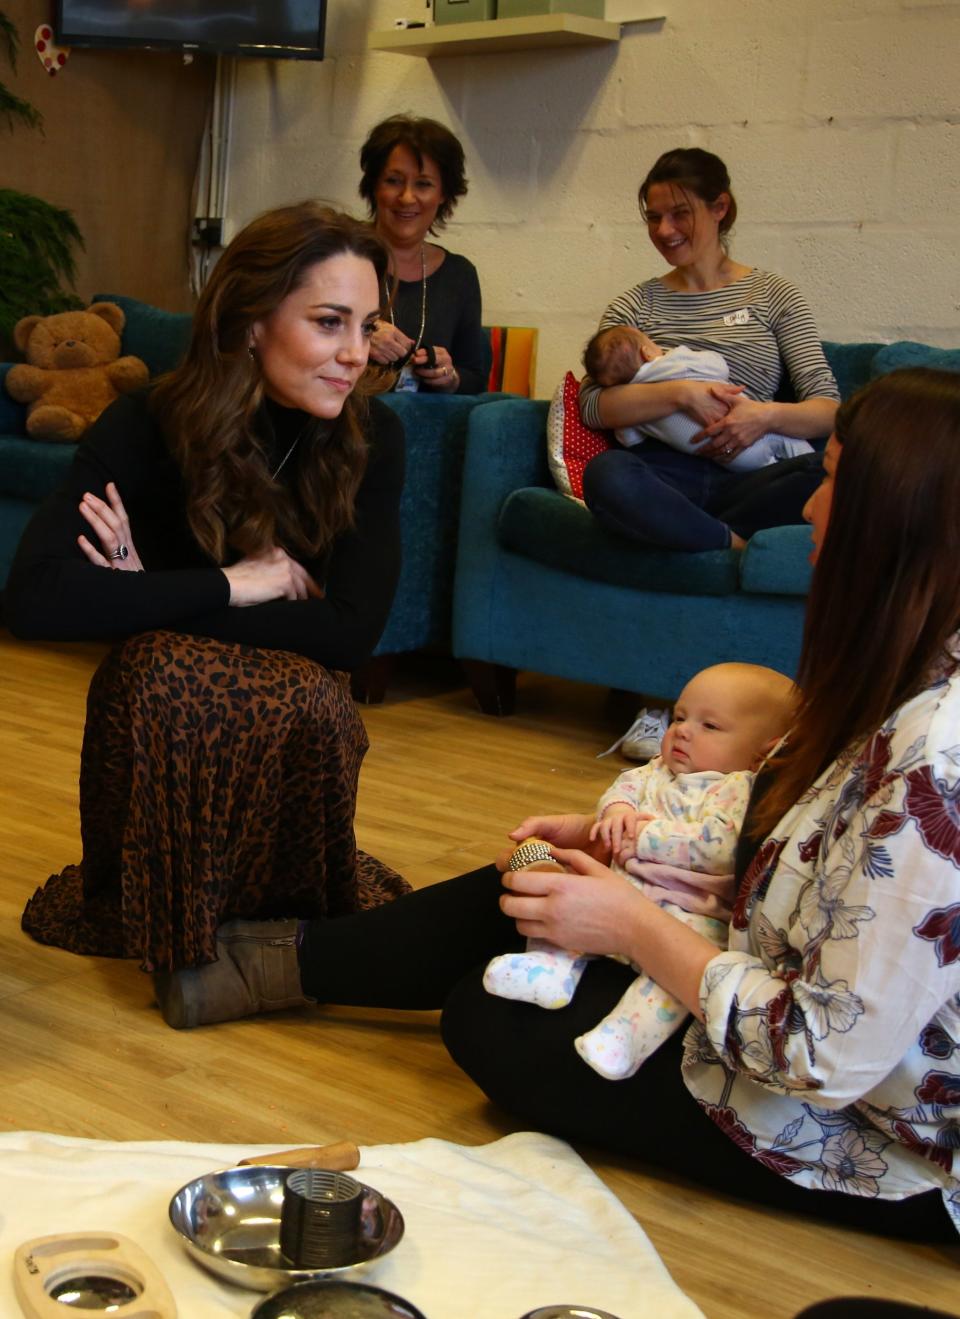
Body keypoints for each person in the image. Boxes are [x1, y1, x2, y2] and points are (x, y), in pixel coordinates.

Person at [157, 367, 960, 1243]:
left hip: (876, 1128)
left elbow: (820, 1054)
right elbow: (793, 843)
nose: (808, 507)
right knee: (537, 875)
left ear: (901, 523)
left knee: (490, 1016)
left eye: (834, 477)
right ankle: (272, 962)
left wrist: (635, 928)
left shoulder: (938, 760)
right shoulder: (907, 671)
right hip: (758, 958)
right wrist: (623, 851)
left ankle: (272, 963)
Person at [4, 202, 410, 1011]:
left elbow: (349, 633)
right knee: (161, 673)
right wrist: (236, 583)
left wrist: (135, 595)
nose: (356, 355)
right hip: (164, 707)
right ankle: (179, 930)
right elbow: (35, 596)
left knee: (278, 684)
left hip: (289, 712)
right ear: (252, 321)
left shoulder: (374, 437)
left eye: (367, 326)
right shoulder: (147, 422)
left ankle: (270, 924)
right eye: (330, 323)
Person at [579, 147, 840, 761]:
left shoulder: (775, 295)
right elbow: (594, 408)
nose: (664, 231)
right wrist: (680, 393)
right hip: (666, 478)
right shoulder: (635, 306)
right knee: (606, 472)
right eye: (652, 217)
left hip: (750, 479)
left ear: (719, 208)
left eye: (680, 213)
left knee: (818, 473)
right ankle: (729, 546)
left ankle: (701, 535)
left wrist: (764, 416)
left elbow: (830, 409)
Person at [484, 662, 795, 1081]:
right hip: (621, 885)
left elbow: (720, 847)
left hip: (689, 913)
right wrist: (615, 811)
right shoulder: (656, 771)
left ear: (763, 752)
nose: (683, 731)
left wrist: (642, 838)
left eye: (710, 726)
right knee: (559, 897)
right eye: (680, 717)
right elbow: (624, 788)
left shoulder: (739, 789)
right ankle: (548, 971)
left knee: (668, 988)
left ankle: (625, 1038)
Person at [358, 113, 491, 395]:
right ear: (373, 186)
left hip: (427, 428)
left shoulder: (460, 275)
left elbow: (475, 379)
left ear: (444, 193)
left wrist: (449, 376)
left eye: (423, 184)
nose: (407, 197)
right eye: (393, 181)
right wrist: (361, 332)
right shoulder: (339, 254)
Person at [583, 325, 814, 472]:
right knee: (798, 453)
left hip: (731, 460)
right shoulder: (676, 360)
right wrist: (684, 393)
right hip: (754, 434)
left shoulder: (632, 412)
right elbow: (719, 368)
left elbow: (629, 440)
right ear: (647, 352)